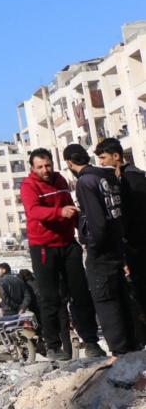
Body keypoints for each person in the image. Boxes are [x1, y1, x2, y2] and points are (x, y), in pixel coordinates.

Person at [21, 148, 104, 360]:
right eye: (40, 167)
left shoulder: (60, 181)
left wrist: (83, 233)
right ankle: (53, 345)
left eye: (48, 165)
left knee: (80, 293)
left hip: (68, 244)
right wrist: (59, 212)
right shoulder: (28, 185)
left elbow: (71, 210)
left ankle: (91, 341)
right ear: (33, 168)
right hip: (43, 247)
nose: (45, 170)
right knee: (50, 299)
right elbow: (34, 212)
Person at [64, 143, 139, 357]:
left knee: (106, 301)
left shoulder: (86, 182)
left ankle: (120, 352)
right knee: (121, 297)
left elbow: (97, 222)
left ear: (69, 162)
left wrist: (93, 247)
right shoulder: (106, 176)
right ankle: (132, 346)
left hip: (102, 252)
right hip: (117, 246)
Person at [95, 137, 146, 344]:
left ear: (116, 156)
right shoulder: (128, 177)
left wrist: (131, 244)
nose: (101, 163)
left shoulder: (132, 180)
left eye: (103, 158)